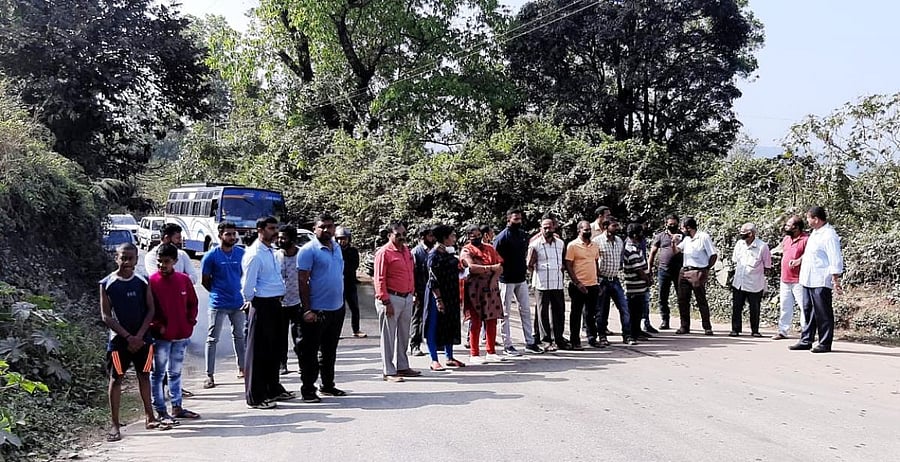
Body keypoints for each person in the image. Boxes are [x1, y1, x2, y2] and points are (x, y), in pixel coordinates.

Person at [100, 243, 161, 442]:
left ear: (136, 259)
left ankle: (150, 417)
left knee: (144, 376)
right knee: (116, 379)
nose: (126, 261)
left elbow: (151, 309)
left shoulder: (143, 280)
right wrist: (128, 337)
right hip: (119, 343)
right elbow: (106, 316)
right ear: (116, 258)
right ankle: (115, 425)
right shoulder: (107, 283)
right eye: (122, 257)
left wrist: (140, 336)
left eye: (130, 258)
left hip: (144, 341)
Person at [241, 216, 292, 409]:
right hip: (261, 304)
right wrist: (252, 302)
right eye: (271, 228)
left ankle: (272, 388)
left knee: (273, 349)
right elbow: (248, 286)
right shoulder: (255, 254)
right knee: (258, 352)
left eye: (276, 228)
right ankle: (255, 396)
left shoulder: (272, 251)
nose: (275, 232)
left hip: (275, 304)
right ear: (260, 230)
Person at [297, 213, 347, 402]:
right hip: (316, 310)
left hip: (337, 308)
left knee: (329, 351)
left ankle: (327, 385)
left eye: (330, 226)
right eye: (322, 226)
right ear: (314, 229)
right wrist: (307, 309)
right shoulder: (308, 250)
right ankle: (308, 390)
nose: (327, 229)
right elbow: (302, 281)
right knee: (310, 352)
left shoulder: (337, 247)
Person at [149, 243, 200, 422]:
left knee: (175, 372)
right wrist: (157, 326)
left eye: (166, 261)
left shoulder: (183, 280)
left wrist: (190, 323)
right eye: (159, 261)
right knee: (158, 374)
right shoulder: (151, 282)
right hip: (161, 338)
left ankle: (177, 406)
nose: (162, 265)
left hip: (181, 335)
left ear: (175, 261)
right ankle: (160, 410)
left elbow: (193, 303)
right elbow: (147, 310)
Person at [790, 207, 843, 353]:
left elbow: (835, 257)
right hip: (808, 278)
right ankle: (806, 339)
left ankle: (825, 342)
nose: (807, 221)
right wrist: (799, 261)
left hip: (820, 278)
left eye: (809, 218)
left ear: (816, 219)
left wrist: (835, 278)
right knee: (808, 310)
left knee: (822, 312)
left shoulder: (829, 235)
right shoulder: (815, 233)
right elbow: (811, 253)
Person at [199, 221, 246, 389]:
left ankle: (243, 368)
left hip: (238, 303)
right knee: (212, 339)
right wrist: (217, 292)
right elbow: (205, 280)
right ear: (220, 236)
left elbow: (244, 275)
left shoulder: (241, 253)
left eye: (234, 234)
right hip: (218, 303)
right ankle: (209, 375)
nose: (232, 237)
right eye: (228, 234)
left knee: (239, 336)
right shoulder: (211, 256)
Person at [373, 222, 421, 382]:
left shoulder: (407, 251)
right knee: (388, 336)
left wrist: (413, 293)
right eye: (397, 234)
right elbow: (379, 279)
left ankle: (402, 366)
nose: (401, 237)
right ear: (389, 235)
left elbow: (410, 273)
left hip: (406, 297)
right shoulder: (384, 253)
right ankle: (388, 371)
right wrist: (386, 302)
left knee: (404, 334)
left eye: (403, 234)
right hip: (391, 298)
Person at [494, 209, 542, 355]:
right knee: (505, 313)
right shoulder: (502, 237)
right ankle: (507, 345)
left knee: (526, 311)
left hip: (521, 278)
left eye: (520, 219)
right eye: (515, 219)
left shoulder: (522, 234)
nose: (518, 221)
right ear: (508, 219)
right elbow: (495, 257)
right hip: (506, 280)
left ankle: (530, 342)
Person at [461, 224, 506, 364]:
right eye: (473, 236)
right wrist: (490, 268)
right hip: (474, 288)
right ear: (468, 237)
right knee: (476, 321)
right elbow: (472, 267)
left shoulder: (490, 248)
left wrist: (493, 279)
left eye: (478, 235)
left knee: (492, 320)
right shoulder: (466, 250)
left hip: (491, 287)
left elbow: (500, 267)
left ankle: (491, 351)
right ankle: (474, 353)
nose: (476, 238)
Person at [425, 224, 465, 370]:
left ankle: (450, 356)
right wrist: (438, 300)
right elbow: (433, 279)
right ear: (445, 238)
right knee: (434, 325)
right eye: (452, 235)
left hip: (451, 294)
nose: (454, 238)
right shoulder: (434, 255)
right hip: (437, 295)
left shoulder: (448, 253)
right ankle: (434, 359)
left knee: (450, 324)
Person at [672, 217, 718, 335]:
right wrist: (673, 242)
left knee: (701, 299)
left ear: (689, 228)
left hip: (698, 271)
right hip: (684, 271)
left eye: (683, 228)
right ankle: (684, 326)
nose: (681, 231)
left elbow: (713, 255)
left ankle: (707, 327)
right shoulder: (687, 239)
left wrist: (706, 269)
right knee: (682, 300)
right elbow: (676, 251)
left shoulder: (703, 237)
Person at [527, 217, 567, 351]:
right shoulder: (535, 244)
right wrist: (539, 272)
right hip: (542, 284)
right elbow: (529, 264)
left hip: (557, 283)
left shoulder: (560, 243)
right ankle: (546, 341)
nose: (547, 230)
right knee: (542, 312)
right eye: (545, 228)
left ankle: (559, 339)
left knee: (559, 312)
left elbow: (563, 261)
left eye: (550, 227)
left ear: (554, 227)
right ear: (541, 229)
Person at [593, 217, 632, 345]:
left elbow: (621, 258)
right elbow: (593, 261)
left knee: (624, 307)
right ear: (606, 227)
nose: (617, 228)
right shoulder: (597, 241)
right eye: (614, 226)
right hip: (602, 279)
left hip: (615, 279)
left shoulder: (619, 241)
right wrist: (597, 279)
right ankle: (602, 336)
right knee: (602, 310)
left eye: (617, 225)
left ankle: (627, 335)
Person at [729, 223, 772, 337]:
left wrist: (763, 280)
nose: (741, 235)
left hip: (754, 283)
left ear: (751, 234)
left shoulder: (762, 247)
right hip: (739, 282)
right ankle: (735, 329)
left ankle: (755, 330)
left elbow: (767, 267)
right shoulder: (739, 244)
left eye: (744, 233)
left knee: (754, 308)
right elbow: (735, 260)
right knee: (737, 307)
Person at [563, 221, 600, 350]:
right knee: (576, 314)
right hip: (578, 286)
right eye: (585, 230)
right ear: (579, 230)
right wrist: (577, 282)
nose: (588, 232)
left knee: (591, 314)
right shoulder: (572, 245)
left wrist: (597, 280)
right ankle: (575, 341)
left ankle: (592, 338)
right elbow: (568, 265)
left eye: (589, 229)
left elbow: (595, 262)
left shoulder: (595, 245)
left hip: (593, 284)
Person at [773, 215, 809, 340]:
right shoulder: (786, 239)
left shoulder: (806, 239)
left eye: (789, 225)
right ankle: (782, 331)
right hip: (785, 279)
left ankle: (806, 332)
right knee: (785, 306)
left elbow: (810, 255)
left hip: (799, 280)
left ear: (796, 227)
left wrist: (799, 260)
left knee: (804, 307)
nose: (786, 227)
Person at [275, 225, 303, 375]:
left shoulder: (302, 255)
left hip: (298, 302)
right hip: (280, 303)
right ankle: (282, 364)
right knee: (280, 336)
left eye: (284, 238)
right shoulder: (275, 256)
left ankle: (302, 364)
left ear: (292, 239)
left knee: (299, 336)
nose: (280, 240)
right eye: (279, 237)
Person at [648, 214, 683, 330]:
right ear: (666, 224)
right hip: (663, 270)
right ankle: (665, 320)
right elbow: (652, 253)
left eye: (675, 224)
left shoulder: (683, 236)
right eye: (670, 224)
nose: (672, 226)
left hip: (679, 270)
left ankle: (684, 323)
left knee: (681, 297)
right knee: (663, 297)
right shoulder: (660, 236)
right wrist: (649, 269)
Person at [622, 224, 652, 342]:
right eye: (640, 233)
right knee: (634, 311)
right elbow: (638, 270)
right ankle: (633, 333)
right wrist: (647, 280)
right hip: (634, 286)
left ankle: (637, 331)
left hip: (640, 286)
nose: (642, 235)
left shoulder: (636, 247)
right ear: (635, 235)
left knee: (638, 310)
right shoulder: (630, 249)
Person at [410, 224, 436, 356]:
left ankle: (435, 343)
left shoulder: (435, 251)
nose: (433, 238)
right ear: (423, 237)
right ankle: (415, 345)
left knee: (433, 317)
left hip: (433, 290)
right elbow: (412, 273)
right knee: (418, 318)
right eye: (430, 236)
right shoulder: (416, 252)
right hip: (420, 290)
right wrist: (413, 292)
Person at [336, 226, 365, 338]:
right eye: (340, 239)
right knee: (339, 310)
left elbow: (354, 265)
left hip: (350, 284)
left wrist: (345, 267)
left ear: (349, 239)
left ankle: (356, 330)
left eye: (344, 238)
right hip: (338, 285)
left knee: (355, 308)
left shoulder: (353, 251)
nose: (342, 241)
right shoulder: (335, 251)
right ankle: (336, 332)